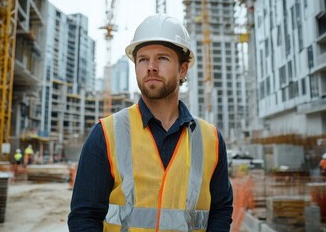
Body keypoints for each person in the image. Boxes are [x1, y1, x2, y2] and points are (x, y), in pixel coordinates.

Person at [68, 13, 233, 231]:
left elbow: (220, 210)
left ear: (183, 70)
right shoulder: (106, 134)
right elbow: (84, 217)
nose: (151, 67)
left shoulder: (210, 139)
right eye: (143, 59)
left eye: (162, 58)